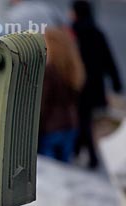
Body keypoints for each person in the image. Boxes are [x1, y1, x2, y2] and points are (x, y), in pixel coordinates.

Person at [71, 0, 123, 169]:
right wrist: (117, 83)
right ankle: (82, 151)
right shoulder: (97, 33)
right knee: (86, 120)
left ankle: (86, 154)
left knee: (82, 120)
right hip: (95, 87)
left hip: (78, 86)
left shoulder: (73, 33)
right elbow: (109, 61)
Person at [38, 28, 86, 163]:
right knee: (63, 170)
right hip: (70, 125)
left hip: (51, 127)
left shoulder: (49, 72)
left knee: (50, 173)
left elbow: (43, 104)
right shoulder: (74, 69)